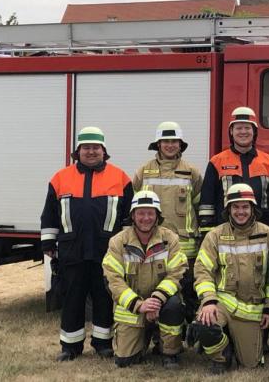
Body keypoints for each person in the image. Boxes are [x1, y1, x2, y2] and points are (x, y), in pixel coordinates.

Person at [40, 126, 134, 361]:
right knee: (73, 297)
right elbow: (50, 215)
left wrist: (126, 246)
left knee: (104, 296)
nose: (91, 152)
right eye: (86, 148)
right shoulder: (60, 178)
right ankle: (70, 347)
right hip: (73, 250)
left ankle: (103, 344)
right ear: (78, 151)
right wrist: (49, 243)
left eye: (96, 147)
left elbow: (127, 216)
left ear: (104, 150)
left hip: (107, 250)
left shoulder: (120, 177)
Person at [189, 184, 269, 374]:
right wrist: (208, 301)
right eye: (235, 207)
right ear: (228, 209)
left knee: (251, 364)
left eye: (245, 207)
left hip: (251, 309)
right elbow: (202, 270)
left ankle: (233, 336)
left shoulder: (268, 235)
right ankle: (222, 356)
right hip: (222, 303)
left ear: (253, 208)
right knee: (205, 324)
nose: (240, 212)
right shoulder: (215, 236)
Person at [101, 191, 188, 368]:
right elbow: (113, 280)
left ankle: (169, 352)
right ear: (133, 215)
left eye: (150, 213)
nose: (145, 218)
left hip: (161, 304)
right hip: (134, 309)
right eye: (141, 213)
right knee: (125, 361)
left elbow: (178, 273)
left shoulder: (169, 239)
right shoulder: (118, 242)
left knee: (174, 305)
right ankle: (147, 336)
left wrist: (156, 299)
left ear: (157, 216)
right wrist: (140, 305)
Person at [132, 121, 203, 323]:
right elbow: (135, 208)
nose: (170, 145)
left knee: (187, 289)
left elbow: (198, 206)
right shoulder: (144, 172)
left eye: (174, 141)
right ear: (158, 144)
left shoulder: (192, 172)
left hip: (185, 245)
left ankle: (186, 330)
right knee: (156, 287)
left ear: (181, 144)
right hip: (152, 243)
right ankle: (158, 334)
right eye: (165, 141)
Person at [199, 106, 269, 236]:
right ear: (231, 132)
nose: (243, 132)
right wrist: (206, 232)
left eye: (247, 128)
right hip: (226, 233)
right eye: (238, 128)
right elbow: (207, 202)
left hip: (261, 233)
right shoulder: (217, 162)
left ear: (254, 132)